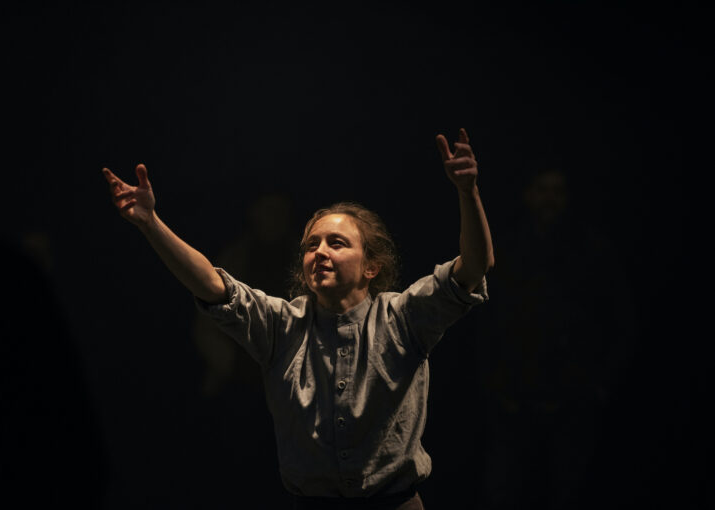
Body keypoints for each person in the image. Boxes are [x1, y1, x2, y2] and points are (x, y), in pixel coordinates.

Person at [102, 128, 494, 509]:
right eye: (311, 245)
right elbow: (212, 284)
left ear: (371, 266)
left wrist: (467, 191)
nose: (319, 252)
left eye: (336, 243)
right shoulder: (283, 325)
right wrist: (151, 224)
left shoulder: (403, 317)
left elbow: (475, 267)